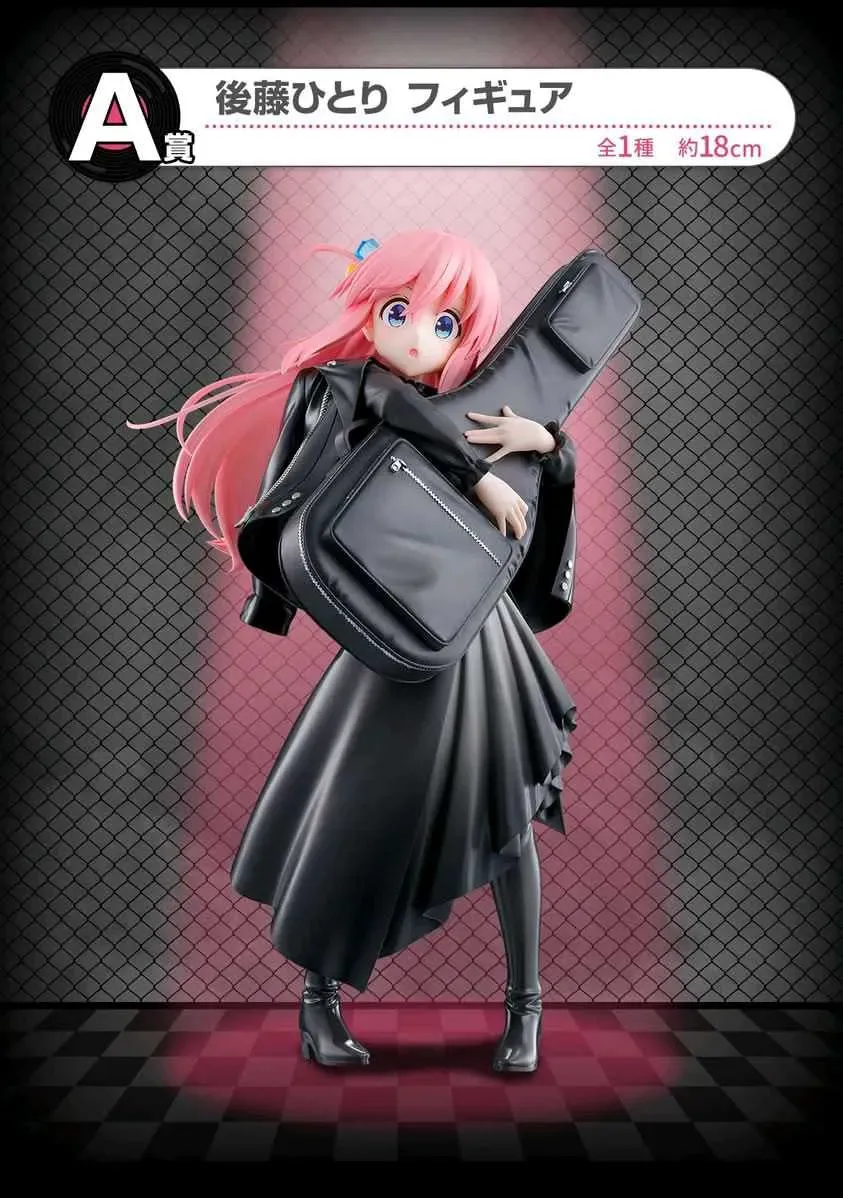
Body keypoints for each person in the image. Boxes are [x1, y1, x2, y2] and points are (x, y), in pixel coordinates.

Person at [128, 229, 579, 1073]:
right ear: (368, 310)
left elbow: (531, 496)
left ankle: (525, 1009)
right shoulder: (341, 386)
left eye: (443, 324)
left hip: (478, 631)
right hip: (393, 632)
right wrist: (474, 471)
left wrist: (546, 448)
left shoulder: (474, 407)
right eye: (398, 312)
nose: (417, 337)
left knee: (508, 815)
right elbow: (366, 416)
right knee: (352, 811)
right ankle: (319, 1002)